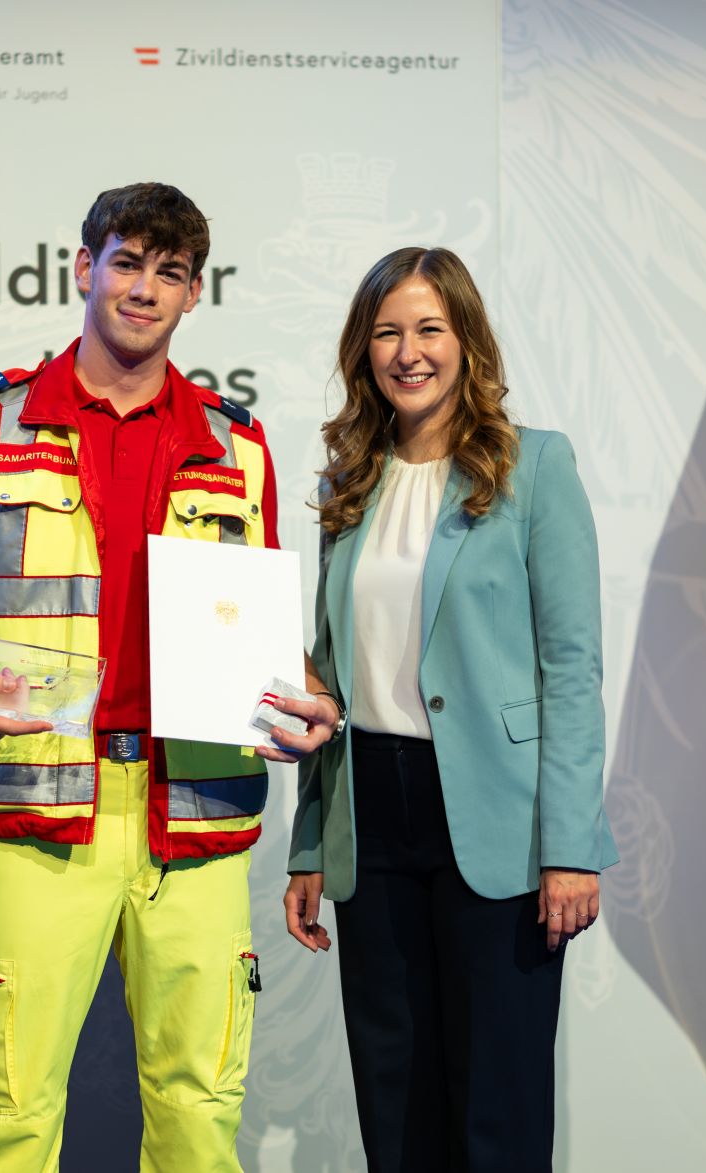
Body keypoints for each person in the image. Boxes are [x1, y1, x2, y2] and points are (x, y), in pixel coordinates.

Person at [0, 182, 280, 1172]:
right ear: (83, 269)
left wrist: (293, 703)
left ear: (192, 295)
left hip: (193, 813)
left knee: (200, 1116)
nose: (143, 289)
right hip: (37, 818)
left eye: (168, 273)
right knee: (9, 1121)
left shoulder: (237, 447)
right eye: (126, 263)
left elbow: (255, 645)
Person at [259, 246, 617, 1171]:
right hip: (370, 815)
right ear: (362, 350)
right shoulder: (350, 483)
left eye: (429, 328)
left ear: (466, 339)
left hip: (499, 823)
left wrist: (570, 845)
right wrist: (309, 844)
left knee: (494, 1116)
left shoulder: (535, 467)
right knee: (395, 1105)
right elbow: (329, 683)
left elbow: (572, 669)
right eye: (387, 332)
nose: (407, 351)